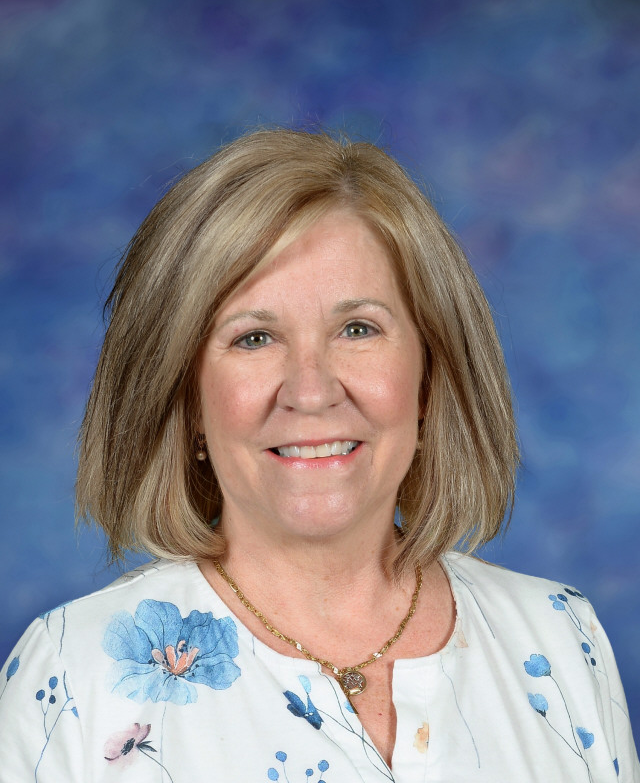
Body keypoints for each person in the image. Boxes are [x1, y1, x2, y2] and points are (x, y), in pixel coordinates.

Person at [0, 128, 637, 783]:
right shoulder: (73, 679)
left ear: (429, 373)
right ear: (186, 397)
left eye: (357, 328)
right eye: (253, 338)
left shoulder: (560, 640)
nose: (311, 390)